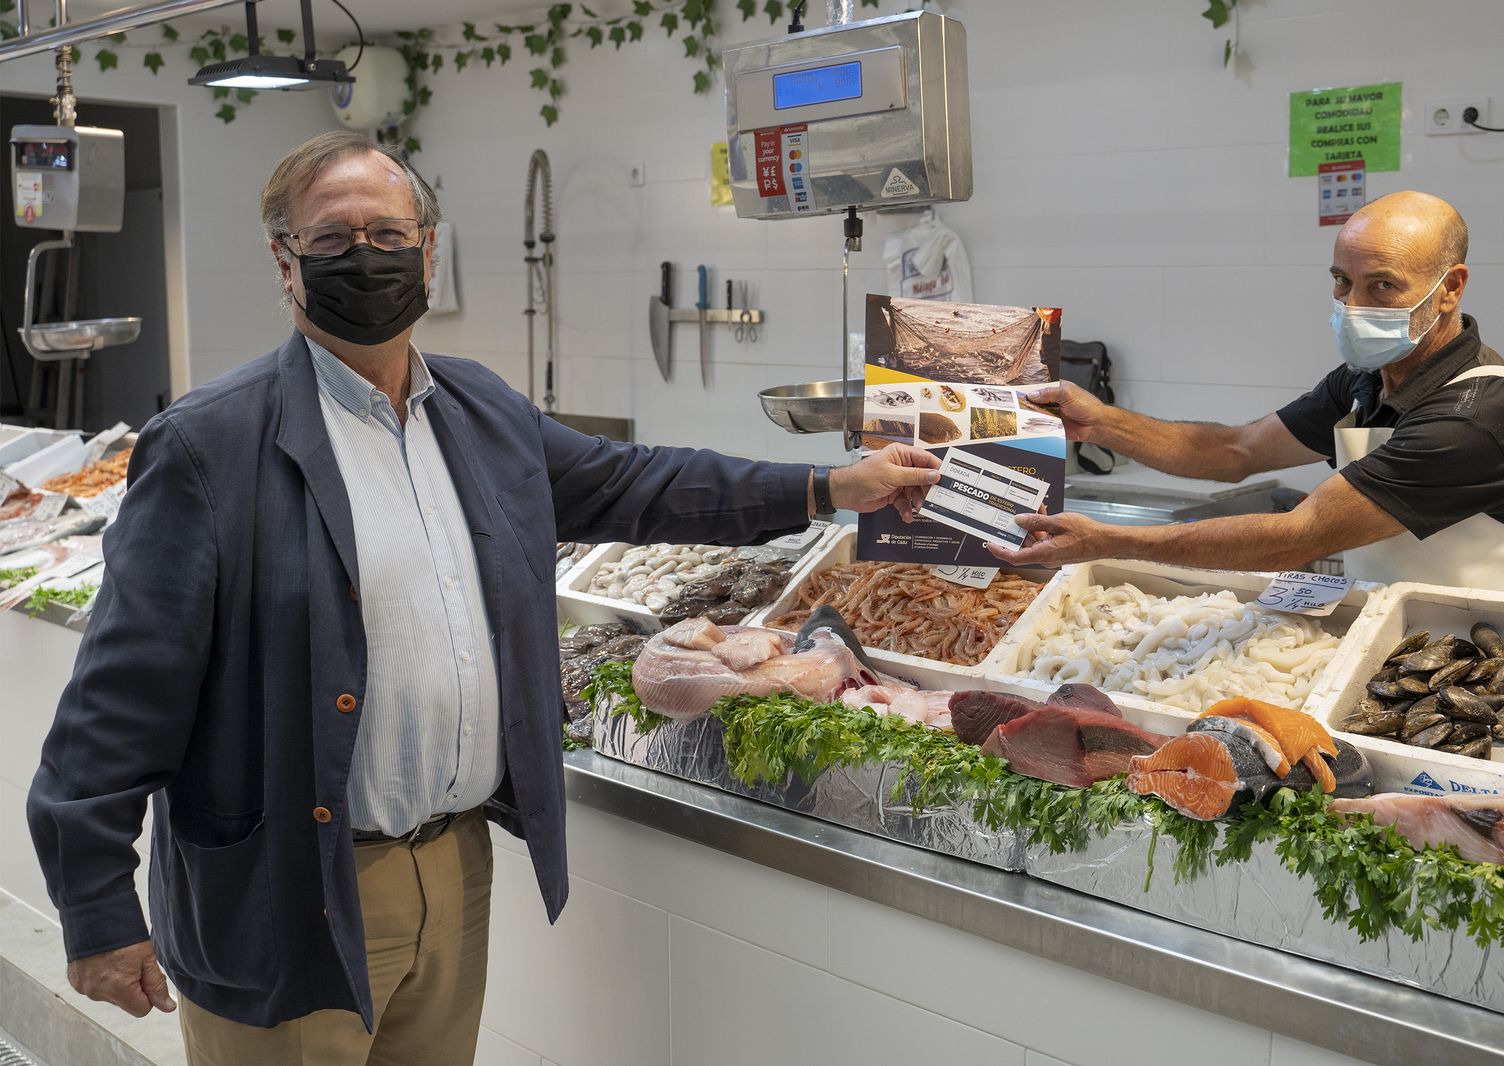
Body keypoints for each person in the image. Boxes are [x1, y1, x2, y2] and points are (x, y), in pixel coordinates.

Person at [26, 130, 941, 1065]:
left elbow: (641, 484)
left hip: (452, 868)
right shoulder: (206, 447)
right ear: (286, 261)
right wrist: (98, 910)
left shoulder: (480, 410)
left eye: (389, 234)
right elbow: (118, 701)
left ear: (429, 249)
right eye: (333, 241)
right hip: (288, 890)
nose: (366, 258)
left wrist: (831, 489)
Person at [988, 191, 1504, 595]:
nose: (1353, 306)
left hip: (1482, 648)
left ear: (1450, 288)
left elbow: (1297, 537)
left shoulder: (1474, 415)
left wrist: (1107, 542)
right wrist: (1101, 423)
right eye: (1342, 281)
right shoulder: (1366, 379)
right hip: (1389, 619)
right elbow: (1236, 451)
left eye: (1382, 286)